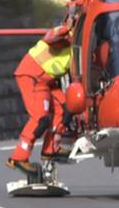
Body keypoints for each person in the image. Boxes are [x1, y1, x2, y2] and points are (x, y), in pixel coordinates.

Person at [7, 24, 74, 177]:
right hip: (32, 75)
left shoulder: (79, 49)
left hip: (47, 80)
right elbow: (50, 36)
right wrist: (67, 27)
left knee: (66, 109)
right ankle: (18, 157)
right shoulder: (64, 37)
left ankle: (50, 149)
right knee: (41, 118)